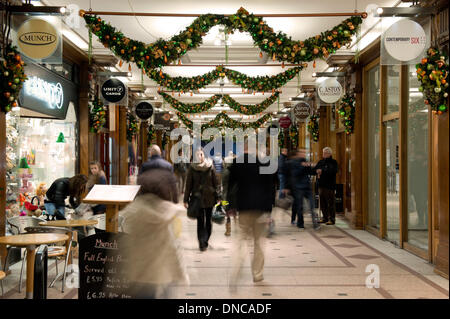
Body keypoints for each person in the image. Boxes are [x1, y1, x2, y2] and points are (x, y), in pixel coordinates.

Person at [119, 168, 188, 298]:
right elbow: (173, 247)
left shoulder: (131, 213)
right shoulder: (166, 215)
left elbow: (123, 245)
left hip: (137, 275)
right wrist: (181, 273)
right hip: (161, 275)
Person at [228, 138, 276, 288]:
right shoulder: (265, 162)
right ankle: (257, 274)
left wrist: (230, 207)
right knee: (259, 243)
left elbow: (230, 187)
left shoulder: (237, 163)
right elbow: (271, 188)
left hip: (243, 208)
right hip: (261, 209)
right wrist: (269, 211)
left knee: (241, 240)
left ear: (244, 147)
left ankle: (236, 270)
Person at [184, 148, 221, 251]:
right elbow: (188, 185)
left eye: (201, 154)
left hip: (210, 198)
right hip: (197, 199)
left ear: (204, 155)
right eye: (197, 155)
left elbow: (216, 183)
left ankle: (205, 240)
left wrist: (219, 197)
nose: (199, 157)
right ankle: (202, 242)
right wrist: (185, 199)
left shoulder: (210, 166)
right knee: (200, 221)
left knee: (208, 221)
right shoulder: (192, 168)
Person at [283, 149, 320, 230]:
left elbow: (309, 171)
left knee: (312, 205)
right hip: (298, 187)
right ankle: (300, 224)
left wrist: (315, 170)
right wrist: (302, 166)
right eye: (302, 153)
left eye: (304, 153)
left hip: (307, 187)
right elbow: (293, 174)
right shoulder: (293, 162)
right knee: (300, 206)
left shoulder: (305, 161)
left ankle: (315, 223)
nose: (303, 154)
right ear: (298, 154)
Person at [314, 147, 338, 225]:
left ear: (330, 154)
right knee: (322, 203)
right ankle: (325, 217)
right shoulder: (321, 161)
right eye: (323, 152)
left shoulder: (333, 162)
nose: (324, 154)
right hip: (321, 185)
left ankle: (332, 219)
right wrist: (316, 171)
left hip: (330, 185)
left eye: (326, 153)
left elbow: (333, 171)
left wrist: (323, 170)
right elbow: (315, 169)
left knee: (330, 203)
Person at [222, 151, 237, 236]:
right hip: (234, 195)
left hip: (226, 195)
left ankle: (228, 230)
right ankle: (237, 226)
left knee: (227, 212)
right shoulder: (235, 172)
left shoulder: (225, 172)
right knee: (235, 210)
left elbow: (223, 185)